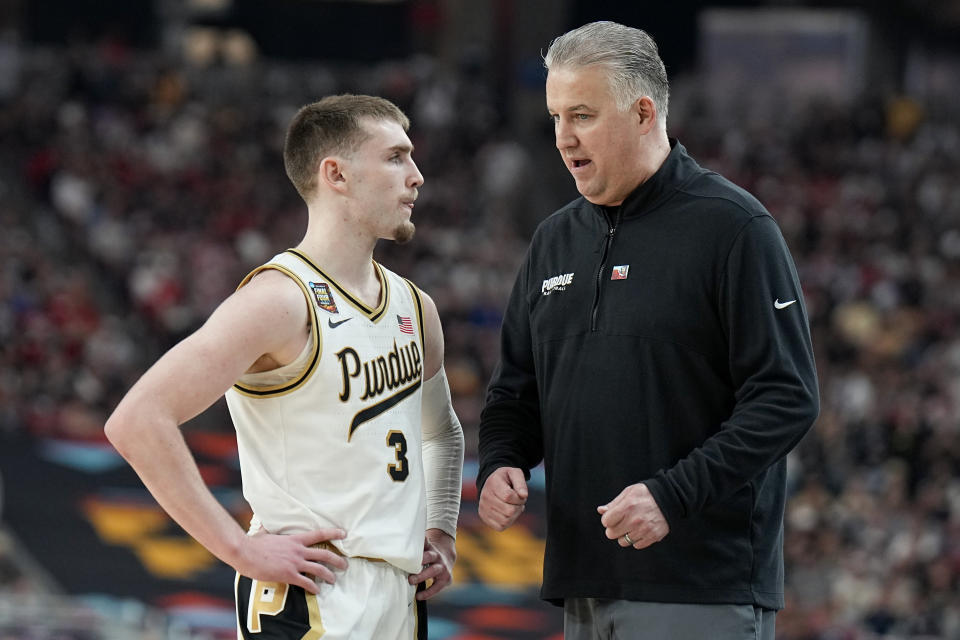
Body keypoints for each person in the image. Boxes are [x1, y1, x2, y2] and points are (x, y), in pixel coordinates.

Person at [477, 21, 819, 640]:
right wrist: (503, 461)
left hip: (699, 587)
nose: (561, 137)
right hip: (582, 582)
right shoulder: (554, 239)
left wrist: (673, 495)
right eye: (555, 116)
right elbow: (514, 391)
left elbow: (787, 396)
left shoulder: (735, 228)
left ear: (642, 112)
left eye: (580, 115)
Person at [105, 94, 464, 640]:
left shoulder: (416, 307)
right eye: (396, 157)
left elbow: (442, 433)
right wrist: (238, 549)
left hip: (400, 595)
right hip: (312, 593)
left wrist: (442, 531)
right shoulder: (279, 300)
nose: (416, 176)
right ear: (336, 175)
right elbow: (136, 420)